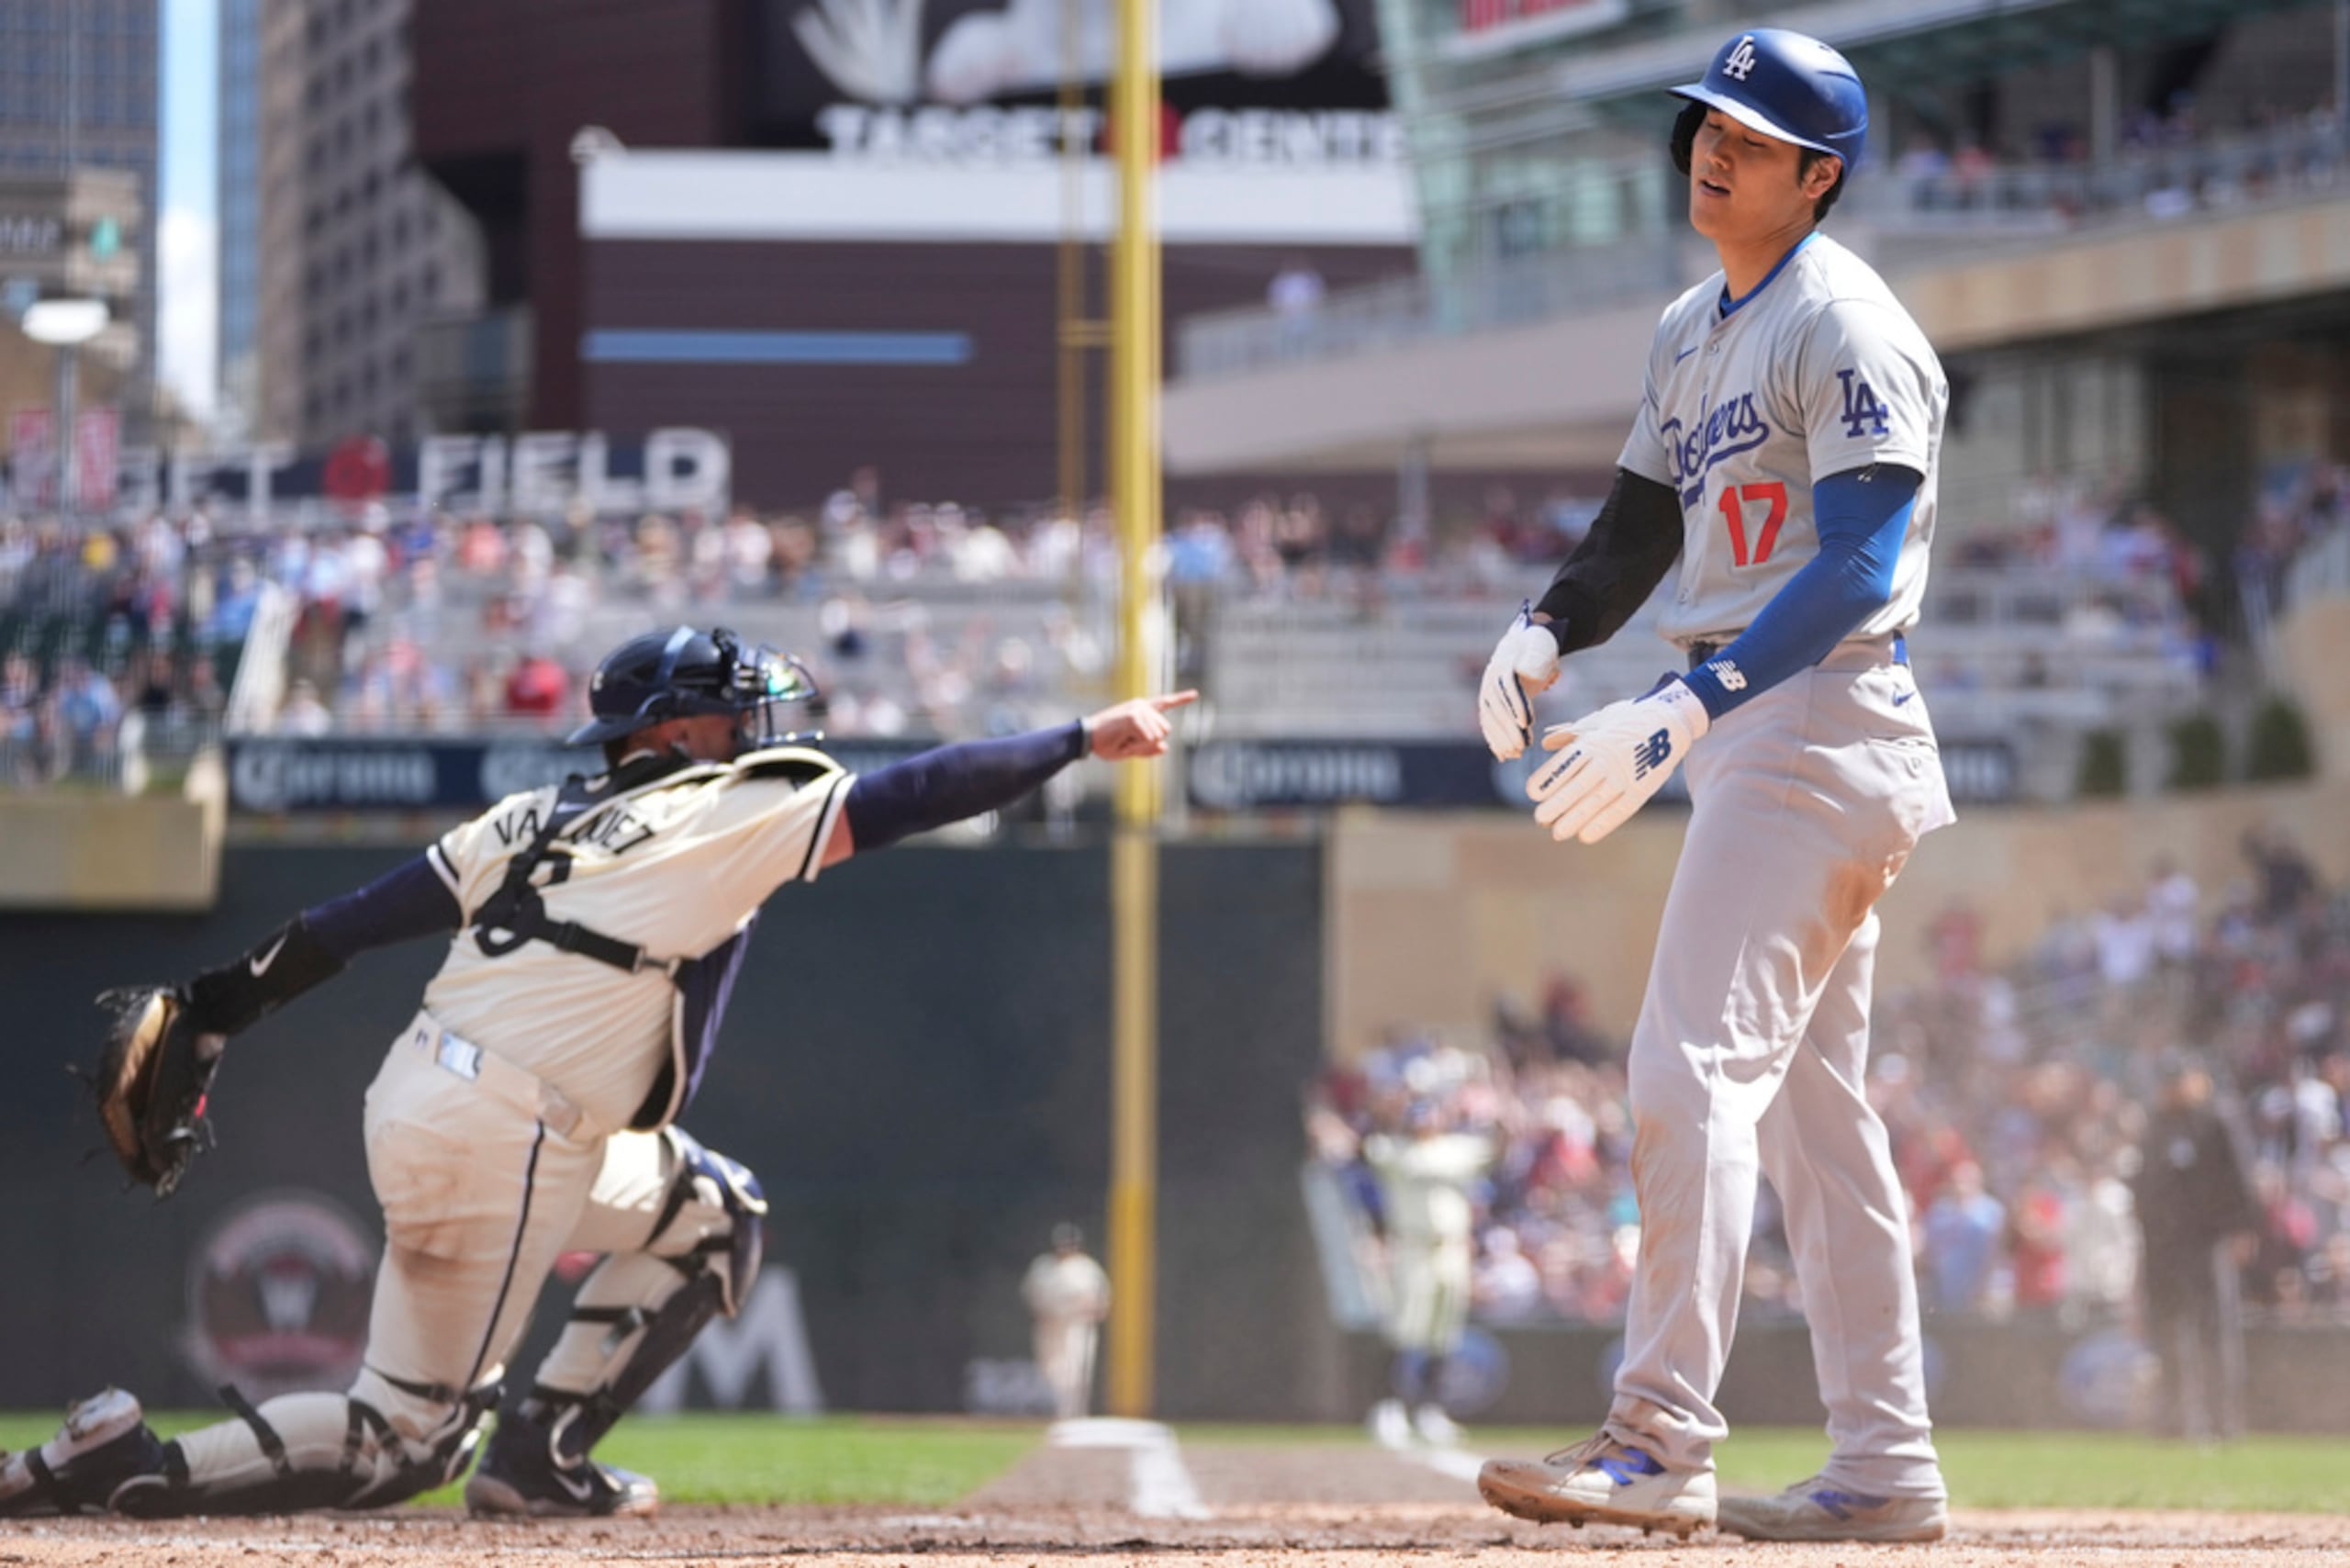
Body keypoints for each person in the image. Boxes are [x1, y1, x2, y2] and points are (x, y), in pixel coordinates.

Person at [4, 625, 1193, 1521]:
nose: (758, 731)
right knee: (407, 1443)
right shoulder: (722, 802)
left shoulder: (532, 816)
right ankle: (130, 1465)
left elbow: (349, 925)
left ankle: (541, 1464)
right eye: (735, 714)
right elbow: (909, 794)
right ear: (673, 733)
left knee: (715, 1213)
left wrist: (218, 1009)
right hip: (509, 1130)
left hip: (457, 1104)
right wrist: (1081, 738)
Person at [1473, 28, 1953, 1544]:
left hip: (1815, 718)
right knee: (1820, 1129)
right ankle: (1885, 1464)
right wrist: (1548, 625)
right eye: (1708, 125)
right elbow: (1637, 524)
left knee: (1686, 1076)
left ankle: (1659, 1436)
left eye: (1751, 136)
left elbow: (1862, 560)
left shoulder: (1849, 321)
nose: (1713, 149)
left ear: (1820, 174)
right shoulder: (1695, 324)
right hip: (1768, 723)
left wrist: (1687, 697)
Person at [2130, 1057, 2260, 1440]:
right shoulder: (2155, 1126)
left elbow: (2239, 1176)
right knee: (2168, 1334)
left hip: (2208, 1243)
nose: (2170, 1090)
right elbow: (2143, 1184)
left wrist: (2241, 1230)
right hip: (2163, 1248)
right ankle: (2175, 1422)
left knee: (2216, 1333)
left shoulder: (2215, 1122)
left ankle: (2225, 1423)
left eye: (2177, 1081)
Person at [1362, 1098, 1493, 1448]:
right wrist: (1387, 1111)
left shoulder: (1457, 1150)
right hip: (1412, 1247)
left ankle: (1430, 1411)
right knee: (1404, 1331)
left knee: (1443, 1334)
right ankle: (1389, 1408)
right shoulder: (1395, 1151)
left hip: (1450, 1248)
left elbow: (1499, 1148)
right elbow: (1367, 1145)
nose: (1425, 1123)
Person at [1021, 1224, 1111, 1422]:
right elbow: (1031, 1295)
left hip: (1077, 1326)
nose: (1066, 1248)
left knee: (1077, 1370)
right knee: (1051, 1371)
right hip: (1050, 1326)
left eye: (1070, 1244)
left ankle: (1074, 1414)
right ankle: (1057, 1411)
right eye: (1062, 1244)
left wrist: (1093, 1308)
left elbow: (1101, 1300)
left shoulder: (1086, 1268)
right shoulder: (1043, 1266)